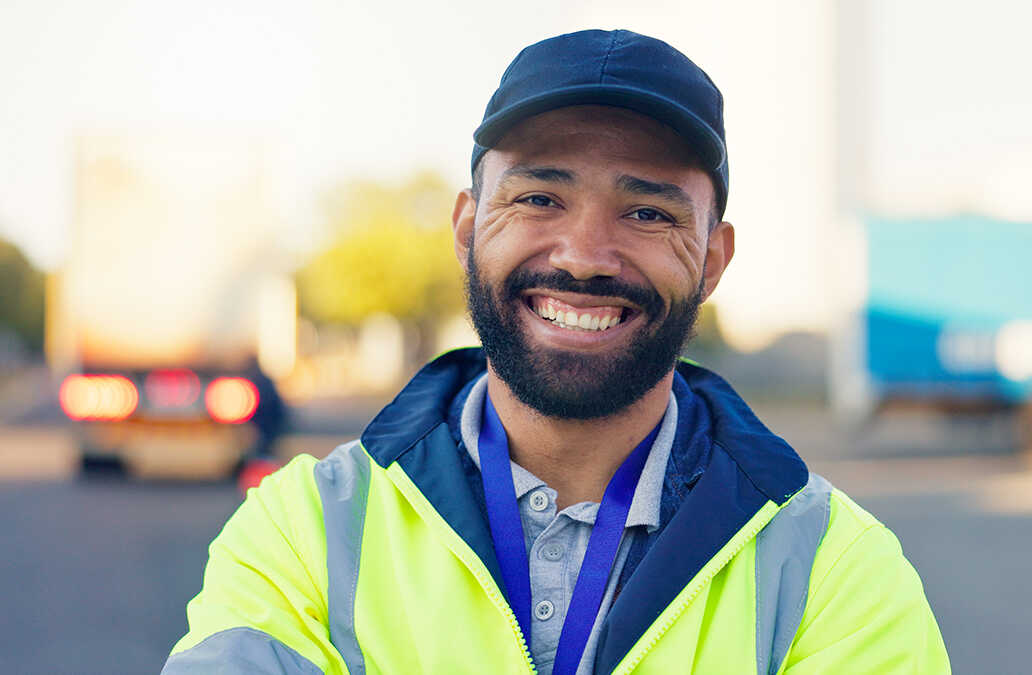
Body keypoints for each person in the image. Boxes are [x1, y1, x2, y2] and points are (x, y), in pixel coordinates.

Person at [163, 29, 950, 674]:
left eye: (646, 212)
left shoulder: (835, 570)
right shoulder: (305, 529)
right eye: (540, 197)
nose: (583, 255)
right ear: (468, 227)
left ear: (712, 258)